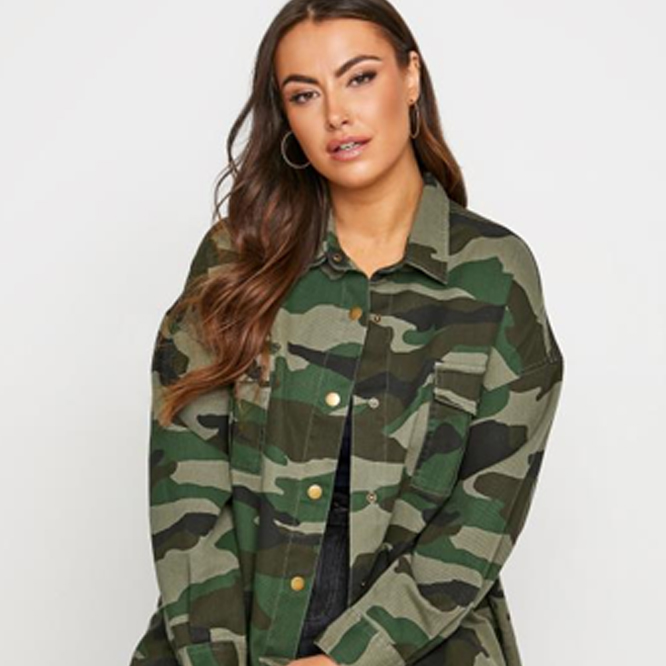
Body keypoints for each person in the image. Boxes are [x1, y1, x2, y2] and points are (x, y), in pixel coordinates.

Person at [129, 1, 565, 665]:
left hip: (417, 643)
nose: (336, 114)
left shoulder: (494, 276)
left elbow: (486, 510)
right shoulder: (234, 261)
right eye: (305, 94)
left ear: (410, 77)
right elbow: (186, 480)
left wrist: (350, 659)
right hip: (229, 638)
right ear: (286, 117)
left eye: (359, 78)